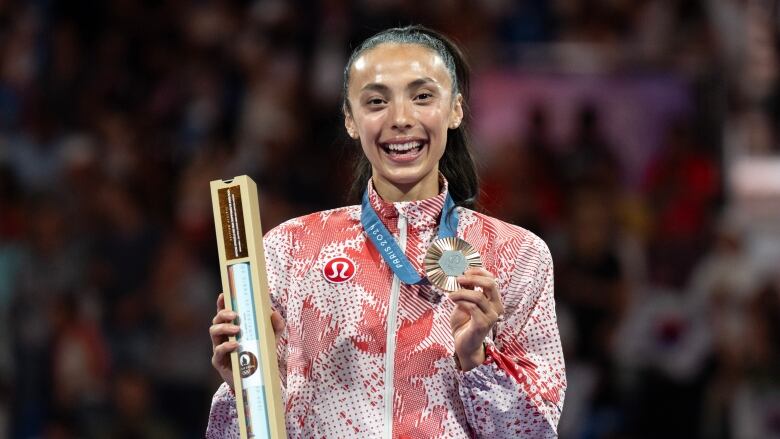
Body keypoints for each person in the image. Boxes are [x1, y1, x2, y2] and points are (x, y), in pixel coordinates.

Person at [207, 25, 566, 438]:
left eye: (422, 96)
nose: (400, 119)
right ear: (350, 120)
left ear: (455, 110)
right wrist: (245, 388)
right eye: (376, 101)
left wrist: (476, 360)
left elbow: (534, 432)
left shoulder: (517, 255)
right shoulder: (289, 250)